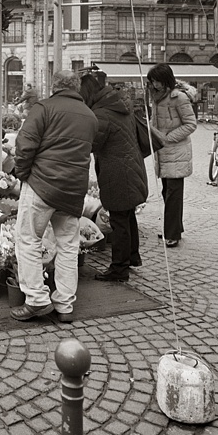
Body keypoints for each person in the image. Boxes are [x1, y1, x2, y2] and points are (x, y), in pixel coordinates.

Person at [10, 70, 98, 323]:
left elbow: (24, 144)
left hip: (42, 184)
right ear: (76, 88)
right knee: (69, 245)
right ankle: (65, 305)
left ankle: (36, 300)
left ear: (54, 86)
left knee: (27, 239)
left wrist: (23, 173)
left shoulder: (44, 108)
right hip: (73, 189)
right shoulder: (90, 116)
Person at [79, 73, 147, 282]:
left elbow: (93, 144)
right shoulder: (117, 105)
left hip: (118, 172)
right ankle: (132, 257)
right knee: (127, 216)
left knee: (119, 220)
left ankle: (119, 269)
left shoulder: (102, 114)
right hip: (131, 167)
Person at [146, 63, 197, 249]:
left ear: (165, 79)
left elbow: (191, 124)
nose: (154, 84)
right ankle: (173, 227)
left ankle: (172, 233)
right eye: (152, 81)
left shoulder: (179, 98)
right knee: (167, 192)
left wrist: (168, 138)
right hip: (162, 151)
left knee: (173, 194)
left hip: (176, 152)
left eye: (156, 81)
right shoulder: (156, 97)